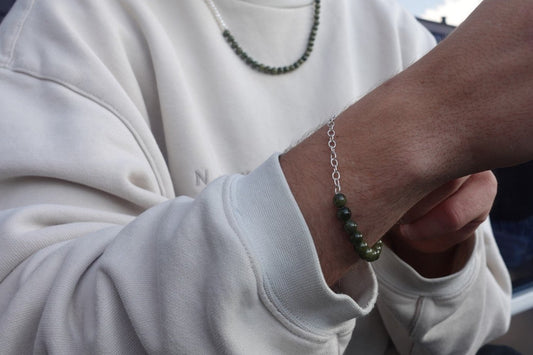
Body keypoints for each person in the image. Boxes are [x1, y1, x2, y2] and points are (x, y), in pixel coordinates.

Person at [0, 0, 530, 353]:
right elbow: (32, 328)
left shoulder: (393, 28)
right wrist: (423, 121)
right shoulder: (69, 23)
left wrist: (429, 254)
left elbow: (472, 328)